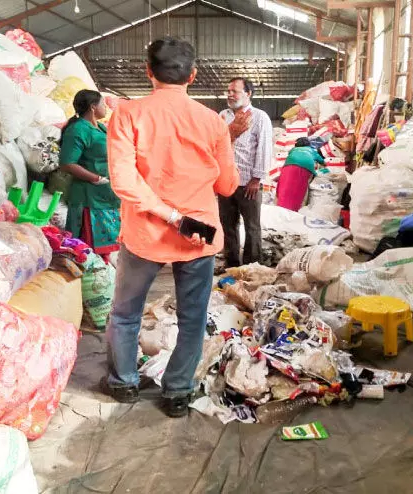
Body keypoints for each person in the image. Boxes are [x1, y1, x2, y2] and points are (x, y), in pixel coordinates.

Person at [104, 37, 239, 417]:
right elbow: (228, 186)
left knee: (126, 313)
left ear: (149, 72)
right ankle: (178, 392)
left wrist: (167, 214)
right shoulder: (212, 122)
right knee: (193, 320)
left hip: (145, 235)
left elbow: (123, 182)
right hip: (199, 238)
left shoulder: (127, 114)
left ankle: (124, 383)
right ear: (192, 76)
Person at [218, 77, 273, 268]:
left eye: (235, 91)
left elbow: (264, 149)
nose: (230, 95)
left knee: (252, 227)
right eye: (228, 91)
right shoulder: (223, 116)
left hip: (248, 183)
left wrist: (256, 179)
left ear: (248, 94)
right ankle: (231, 265)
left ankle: (252, 266)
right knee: (228, 226)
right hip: (226, 183)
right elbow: (218, 147)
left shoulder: (259, 117)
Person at [59, 89, 121, 257]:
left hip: (105, 196)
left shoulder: (100, 127)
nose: (106, 107)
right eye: (103, 103)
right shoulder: (78, 130)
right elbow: (67, 163)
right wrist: (96, 178)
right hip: (89, 198)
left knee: (107, 249)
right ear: (93, 107)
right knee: (88, 248)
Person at [276, 137, 324, 211]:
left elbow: (290, 154)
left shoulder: (293, 150)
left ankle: (281, 207)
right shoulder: (312, 150)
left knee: (284, 187)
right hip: (306, 169)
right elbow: (322, 161)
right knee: (299, 189)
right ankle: (295, 209)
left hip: (289, 167)